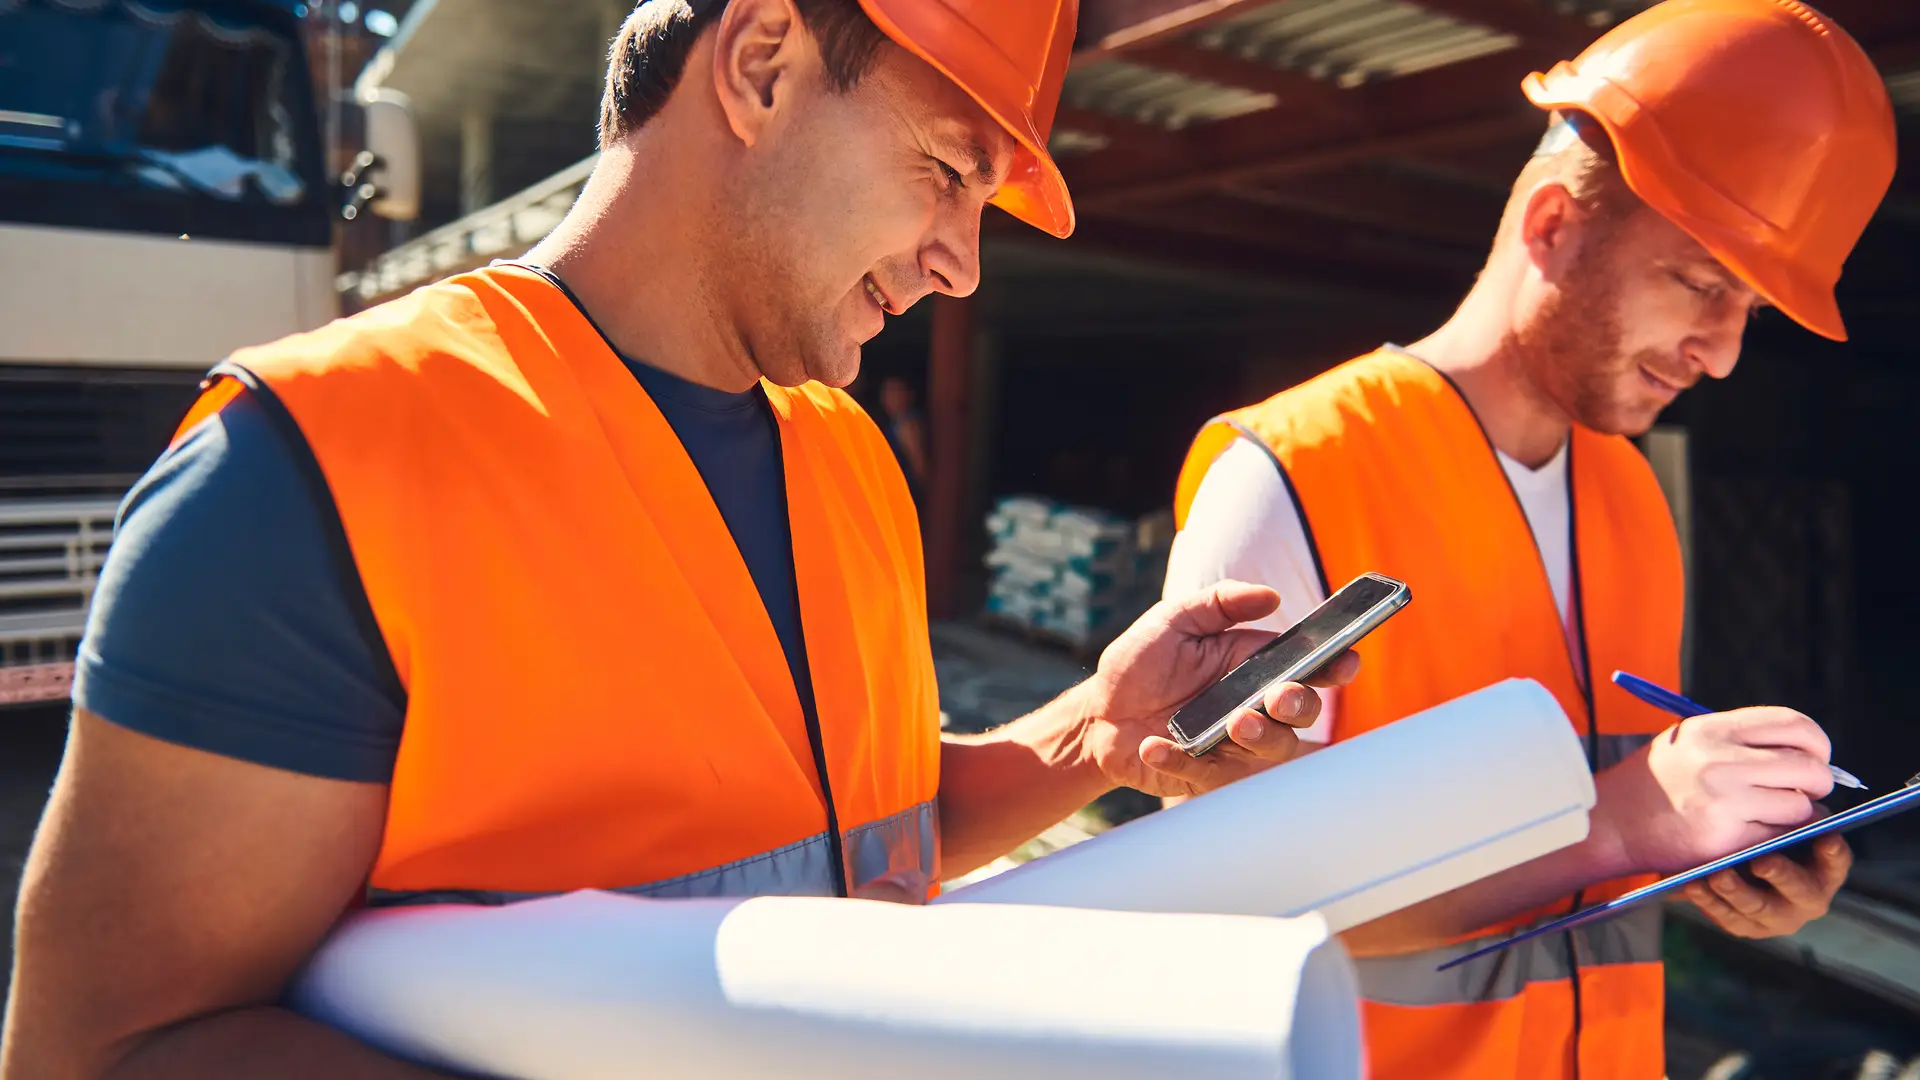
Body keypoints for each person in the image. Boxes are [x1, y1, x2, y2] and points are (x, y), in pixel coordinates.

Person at [1, 2, 1360, 1077]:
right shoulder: (312, 464)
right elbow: (109, 1051)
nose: (965, 262)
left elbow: (849, 831)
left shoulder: (847, 458)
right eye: (946, 173)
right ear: (761, 62)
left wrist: (1093, 736)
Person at [1160, 2, 1896, 1078]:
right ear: (1553, 224)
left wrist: (1715, 858)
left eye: (1751, 312)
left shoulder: (1636, 501)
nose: (1726, 354)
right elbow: (1226, 901)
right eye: (1700, 286)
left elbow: (1593, 870)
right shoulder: (1292, 476)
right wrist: (1623, 825)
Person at [877, 374, 929, 503]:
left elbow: (920, 467)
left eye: (895, 391)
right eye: (887, 391)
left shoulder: (908, 425)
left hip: (902, 495)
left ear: (909, 395)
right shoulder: (894, 422)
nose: (889, 396)